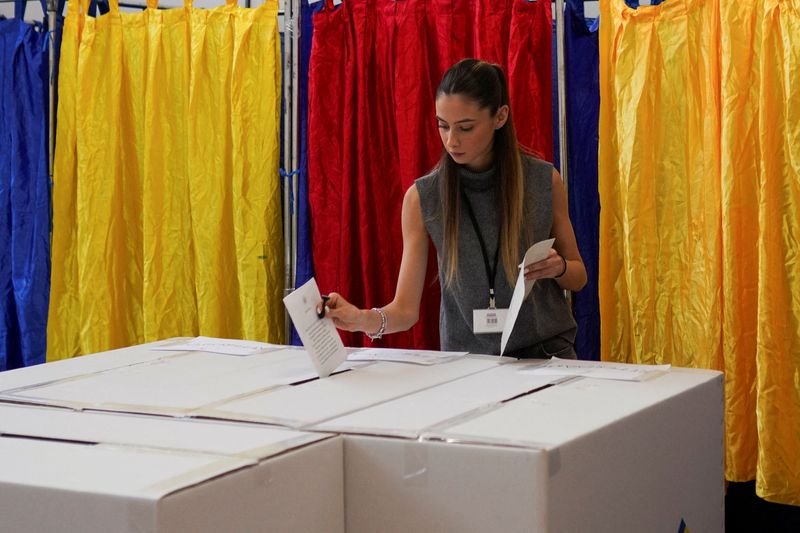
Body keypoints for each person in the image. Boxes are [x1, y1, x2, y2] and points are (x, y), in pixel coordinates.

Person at [320, 58, 587, 359]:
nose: (451, 140)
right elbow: (405, 310)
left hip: (547, 357)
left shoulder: (542, 180)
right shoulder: (423, 198)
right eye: (442, 126)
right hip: (468, 367)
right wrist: (362, 318)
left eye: (466, 127)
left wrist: (559, 267)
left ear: (500, 117)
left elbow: (578, 276)